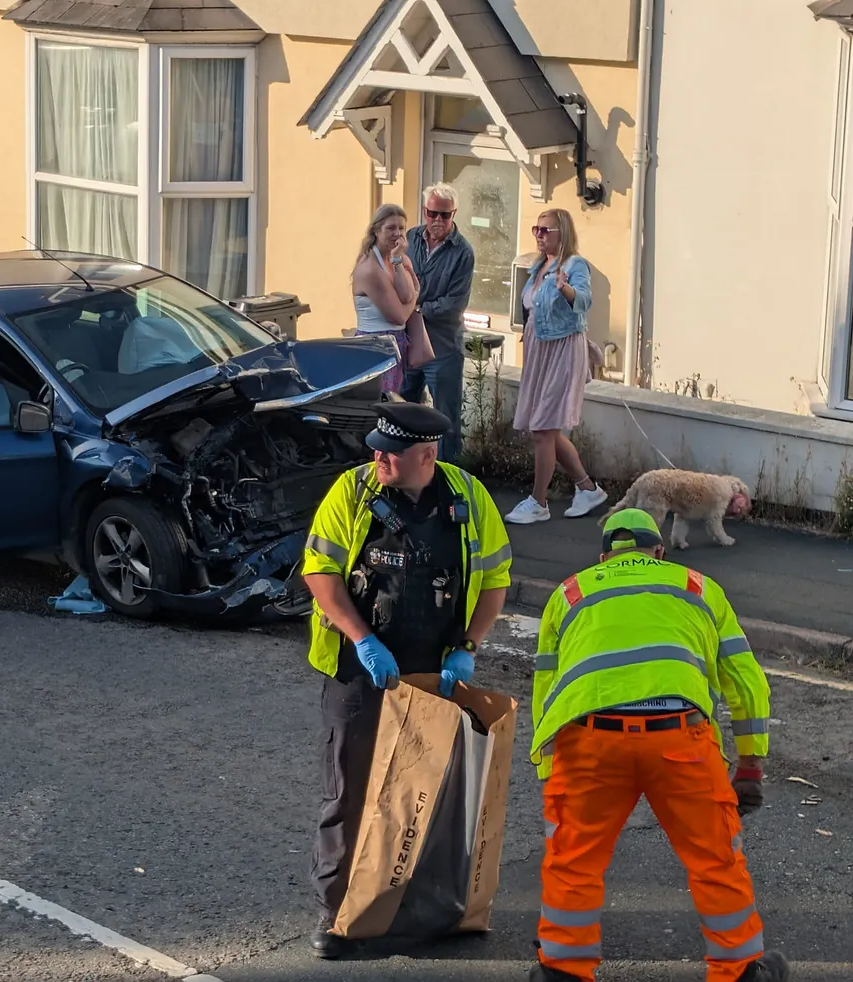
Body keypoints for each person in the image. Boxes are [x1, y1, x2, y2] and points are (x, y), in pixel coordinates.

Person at [528, 507, 787, 982]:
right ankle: (738, 970)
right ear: (659, 551)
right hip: (679, 736)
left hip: (589, 739)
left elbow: (546, 687)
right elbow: (747, 684)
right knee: (715, 859)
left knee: (573, 861)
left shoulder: (571, 593)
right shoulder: (698, 587)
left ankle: (562, 971)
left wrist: (548, 767)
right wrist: (749, 764)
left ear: (604, 555)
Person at [300, 401, 512, 959]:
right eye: (376, 447)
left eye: (389, 453)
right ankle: (336, 914)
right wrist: (361, 639)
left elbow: (494, 580)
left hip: (433, 671)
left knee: (430, 793)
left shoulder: (466, 497)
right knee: (349, 791)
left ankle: (422, 907)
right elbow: (320, 573)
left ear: (425, 455)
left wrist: (468, 647)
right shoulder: (352, 492)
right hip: (360, 668)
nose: (377, 457)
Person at [504, 208, 607, 525]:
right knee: (546, 428)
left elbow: (585, 301)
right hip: (540, 351)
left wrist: (565, 288)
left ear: (563, 233)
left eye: (545, 230)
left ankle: (539, 501)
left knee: (542, 429)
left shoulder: (574, 265)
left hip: (563, 350)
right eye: (536, 229)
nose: (539, 234)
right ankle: (588, 488)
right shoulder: (538, 266)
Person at [402, 183, 475, 462]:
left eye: (444, 215)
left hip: (442, 347)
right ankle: (406, 471)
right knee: (401, 409)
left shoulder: (463, 252)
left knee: (445, 419)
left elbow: (454, 303)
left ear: (454, 214)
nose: (437, 221)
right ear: (425, 211)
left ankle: (448, 480)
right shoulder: (410, 238)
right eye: (433, 214)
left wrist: (415, 308)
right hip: (409, 343)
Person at [351, 204, 435, 394]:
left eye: (401, 228)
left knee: (396, 406)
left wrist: (398, 261)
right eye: (390, 228)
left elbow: (406, 296)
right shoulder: (370, 268)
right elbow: (399, 316)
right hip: (375, 348)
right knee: (382, 407)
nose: (397, 234)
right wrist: (415, 294)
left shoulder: (399, 259)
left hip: (397, 345)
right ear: (376, 230)